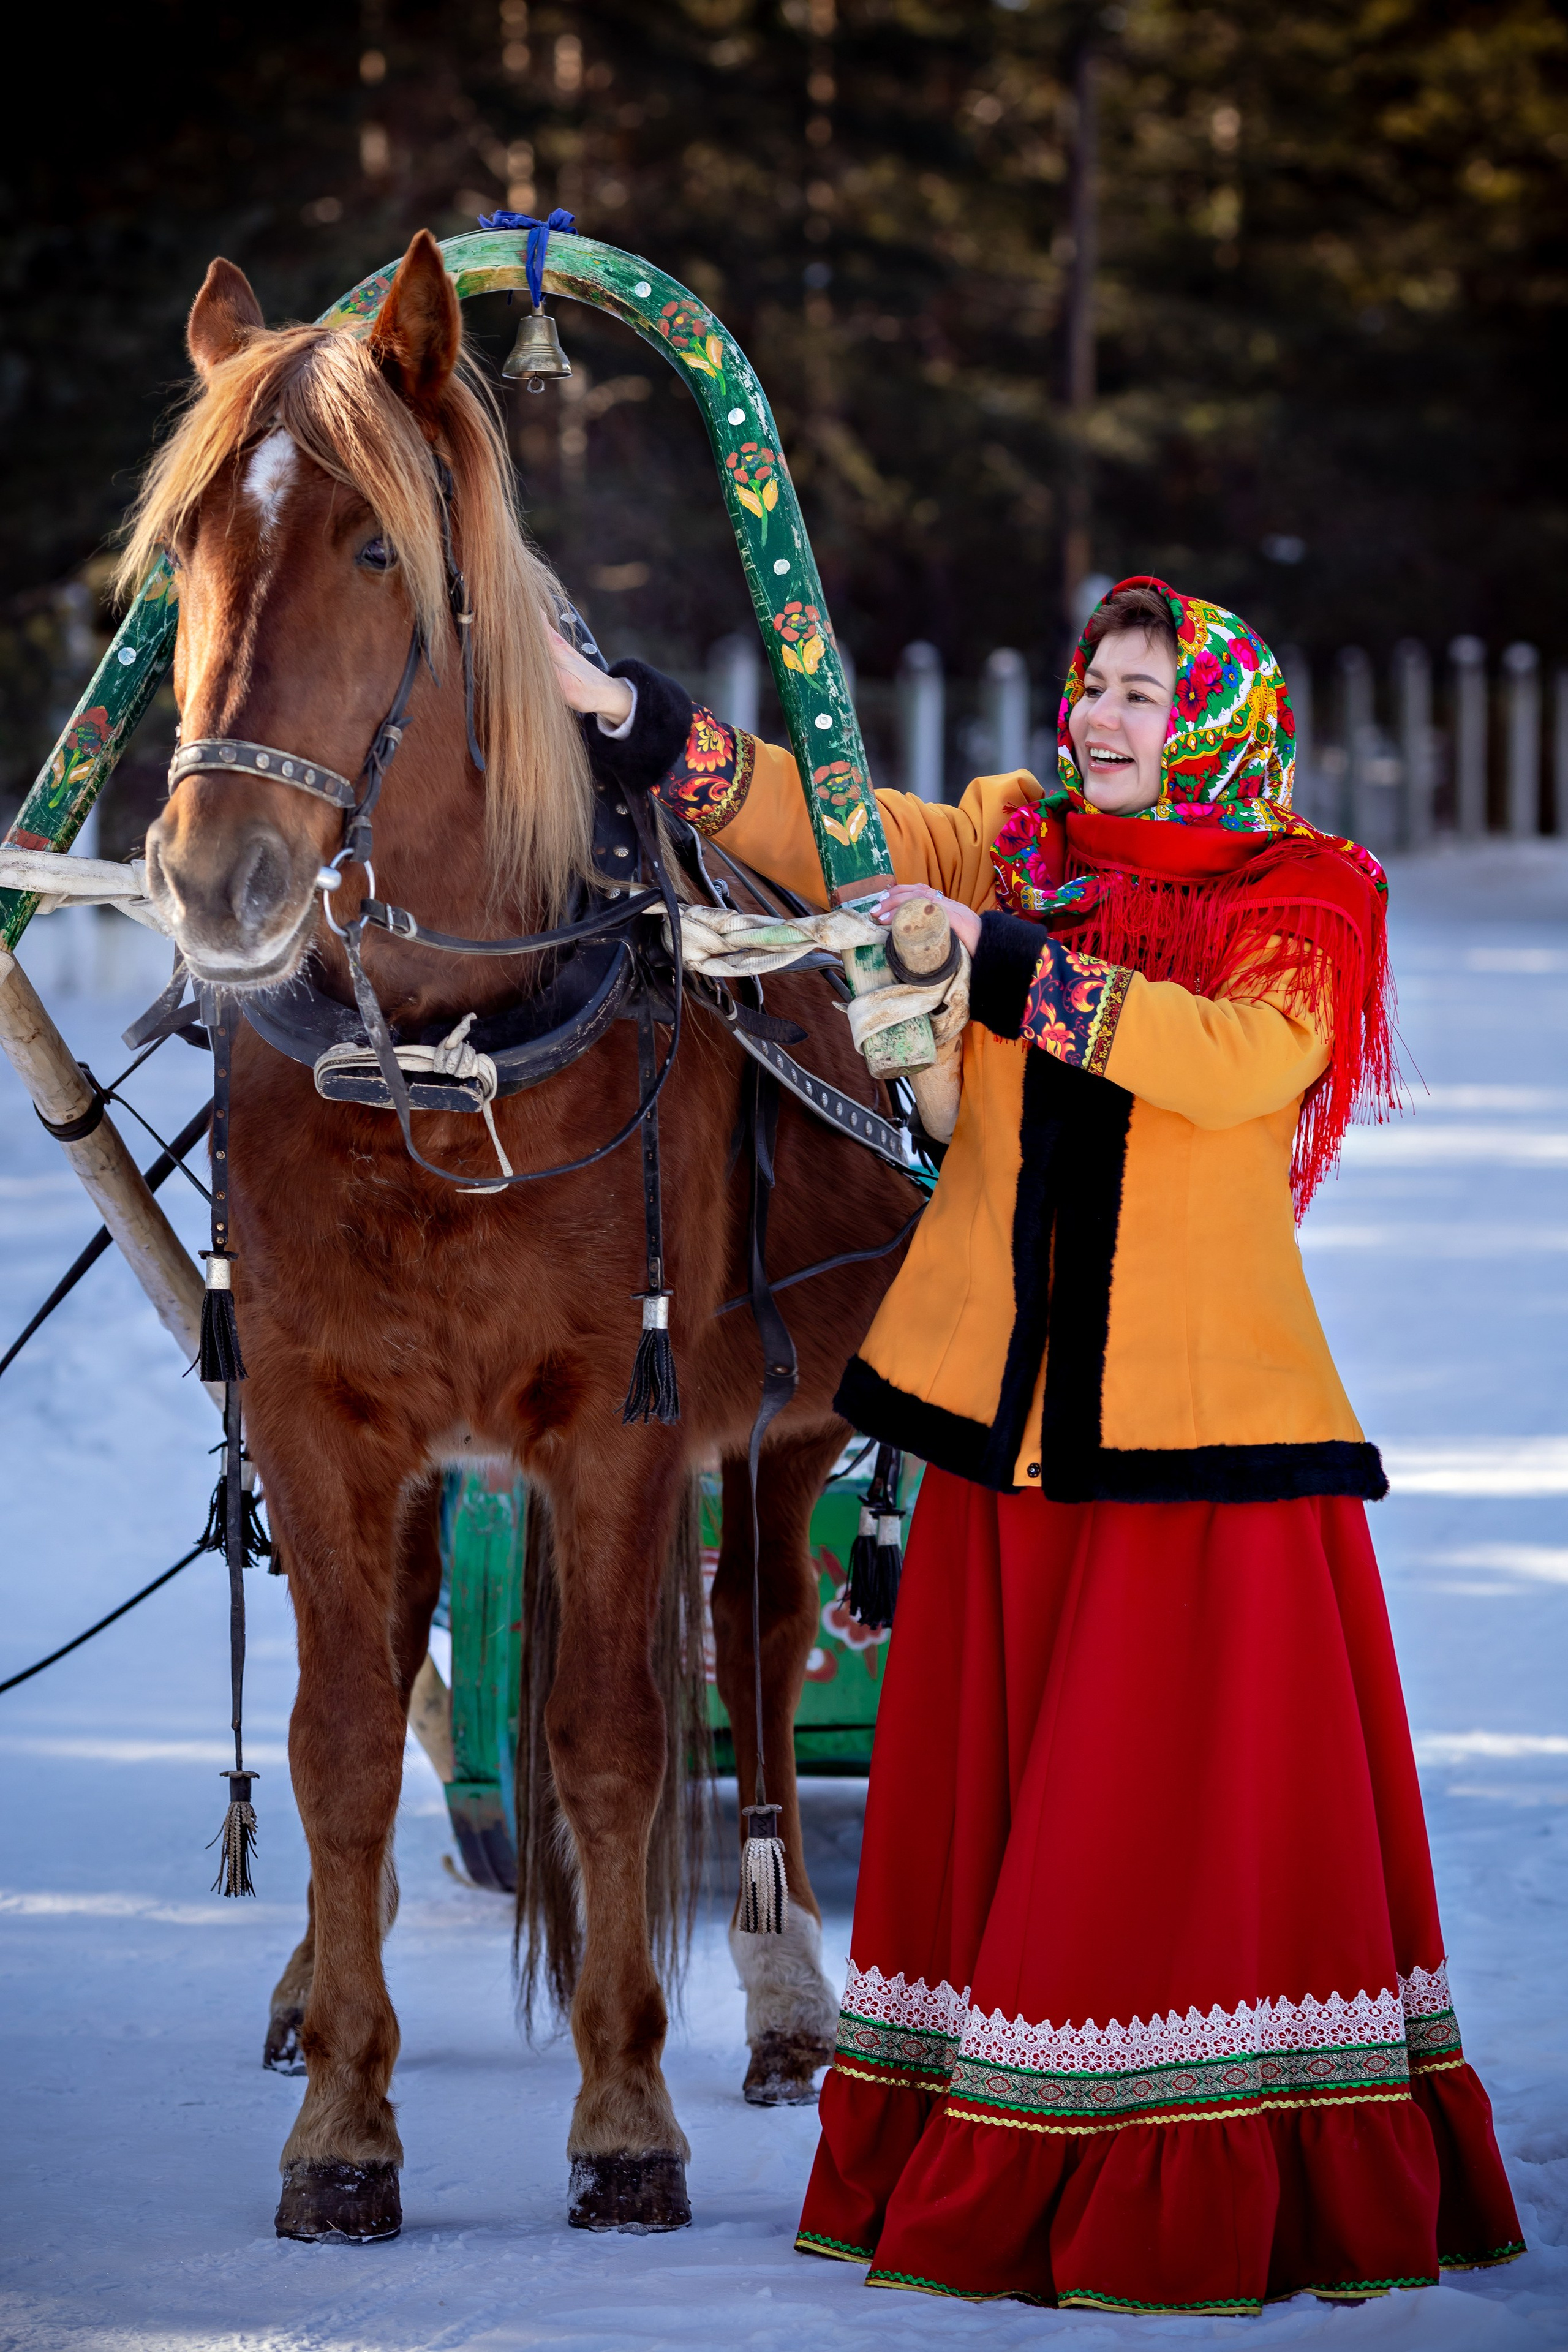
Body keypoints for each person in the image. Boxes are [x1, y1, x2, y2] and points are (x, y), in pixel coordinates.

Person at [550, 577, 1522, 2315]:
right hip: (1011, 1421)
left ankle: (1201, 2157)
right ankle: (1010, 2142)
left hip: (1201, 1429)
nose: (1105, 716)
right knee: (1021, 1809)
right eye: (1094, 688)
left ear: (1217, 719)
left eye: (1148, 694)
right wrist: (626, 716)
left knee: (1181, 1813)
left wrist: (995, 965)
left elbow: (1237, 1062)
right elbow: (832, 824)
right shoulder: (1016, 838)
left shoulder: (1305, 897)